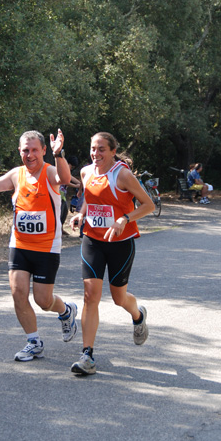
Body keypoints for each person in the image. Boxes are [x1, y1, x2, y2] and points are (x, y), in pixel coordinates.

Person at [0, 129, 78, 362]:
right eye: (25, 150)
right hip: (19, 245)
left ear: (44, 151)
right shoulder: (16, 175)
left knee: (43, 300)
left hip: (47, 247)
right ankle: (33, 342)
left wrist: (59, 155)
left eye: (35, 150)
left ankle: (65, 310)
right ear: (19, 151)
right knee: (18, 293)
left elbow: (65, 180)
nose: (30, 155)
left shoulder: (49, 172)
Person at [69, 132, 155, 376]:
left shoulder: (122, 174)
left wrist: (125, 218)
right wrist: (81, 214)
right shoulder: (86, 172)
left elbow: (148, 204)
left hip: (121, 243)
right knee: (90, 296)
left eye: (101, 149)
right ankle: (87, 355)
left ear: (113, 151)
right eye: (93, 149)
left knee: (119, 298)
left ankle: (138, 316)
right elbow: (89, 197)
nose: (96, 154)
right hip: (93, 241)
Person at [60, 155, 81, 230]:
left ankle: (61, 229)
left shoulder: (67, 170)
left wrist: (80, 184)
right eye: (71, 166)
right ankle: (58, 229)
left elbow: (70, 177)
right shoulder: (62, 168)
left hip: (63, 194)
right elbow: (65, 181)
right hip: (59, 193)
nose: (71, 168)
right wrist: (75, 186)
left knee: (65, 211)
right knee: (61, 212)